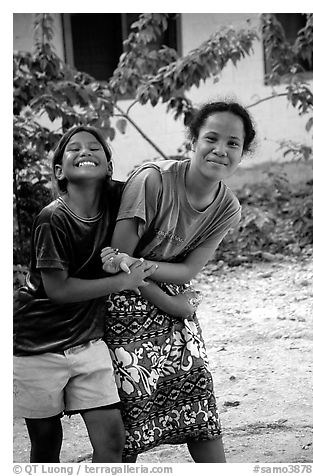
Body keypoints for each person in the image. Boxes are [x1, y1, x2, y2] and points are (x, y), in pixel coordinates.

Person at [101, 100, 256, 463]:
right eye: (211, 139)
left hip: (163, 291)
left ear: (242, 152)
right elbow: (116, 259)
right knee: (130, 416)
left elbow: (187, 272)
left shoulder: (227, 206)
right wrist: (173, 303)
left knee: (200, 401)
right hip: (120, 300)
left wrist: (168, 294)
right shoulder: (152, 179)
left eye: (233, 144)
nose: (221, 150)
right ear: (193, 142)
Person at [13, 125, 157, 463]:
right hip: (36, 344)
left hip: (88, 340)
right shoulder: (52, 218)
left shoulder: (119, 201)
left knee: (112, 440)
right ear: (60, 171)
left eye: (95, 147)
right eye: (73, 148)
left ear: (108, 166)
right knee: (46, 442)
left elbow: (157, 185)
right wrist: (121, 282)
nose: (84, 151)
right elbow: (58, 289)